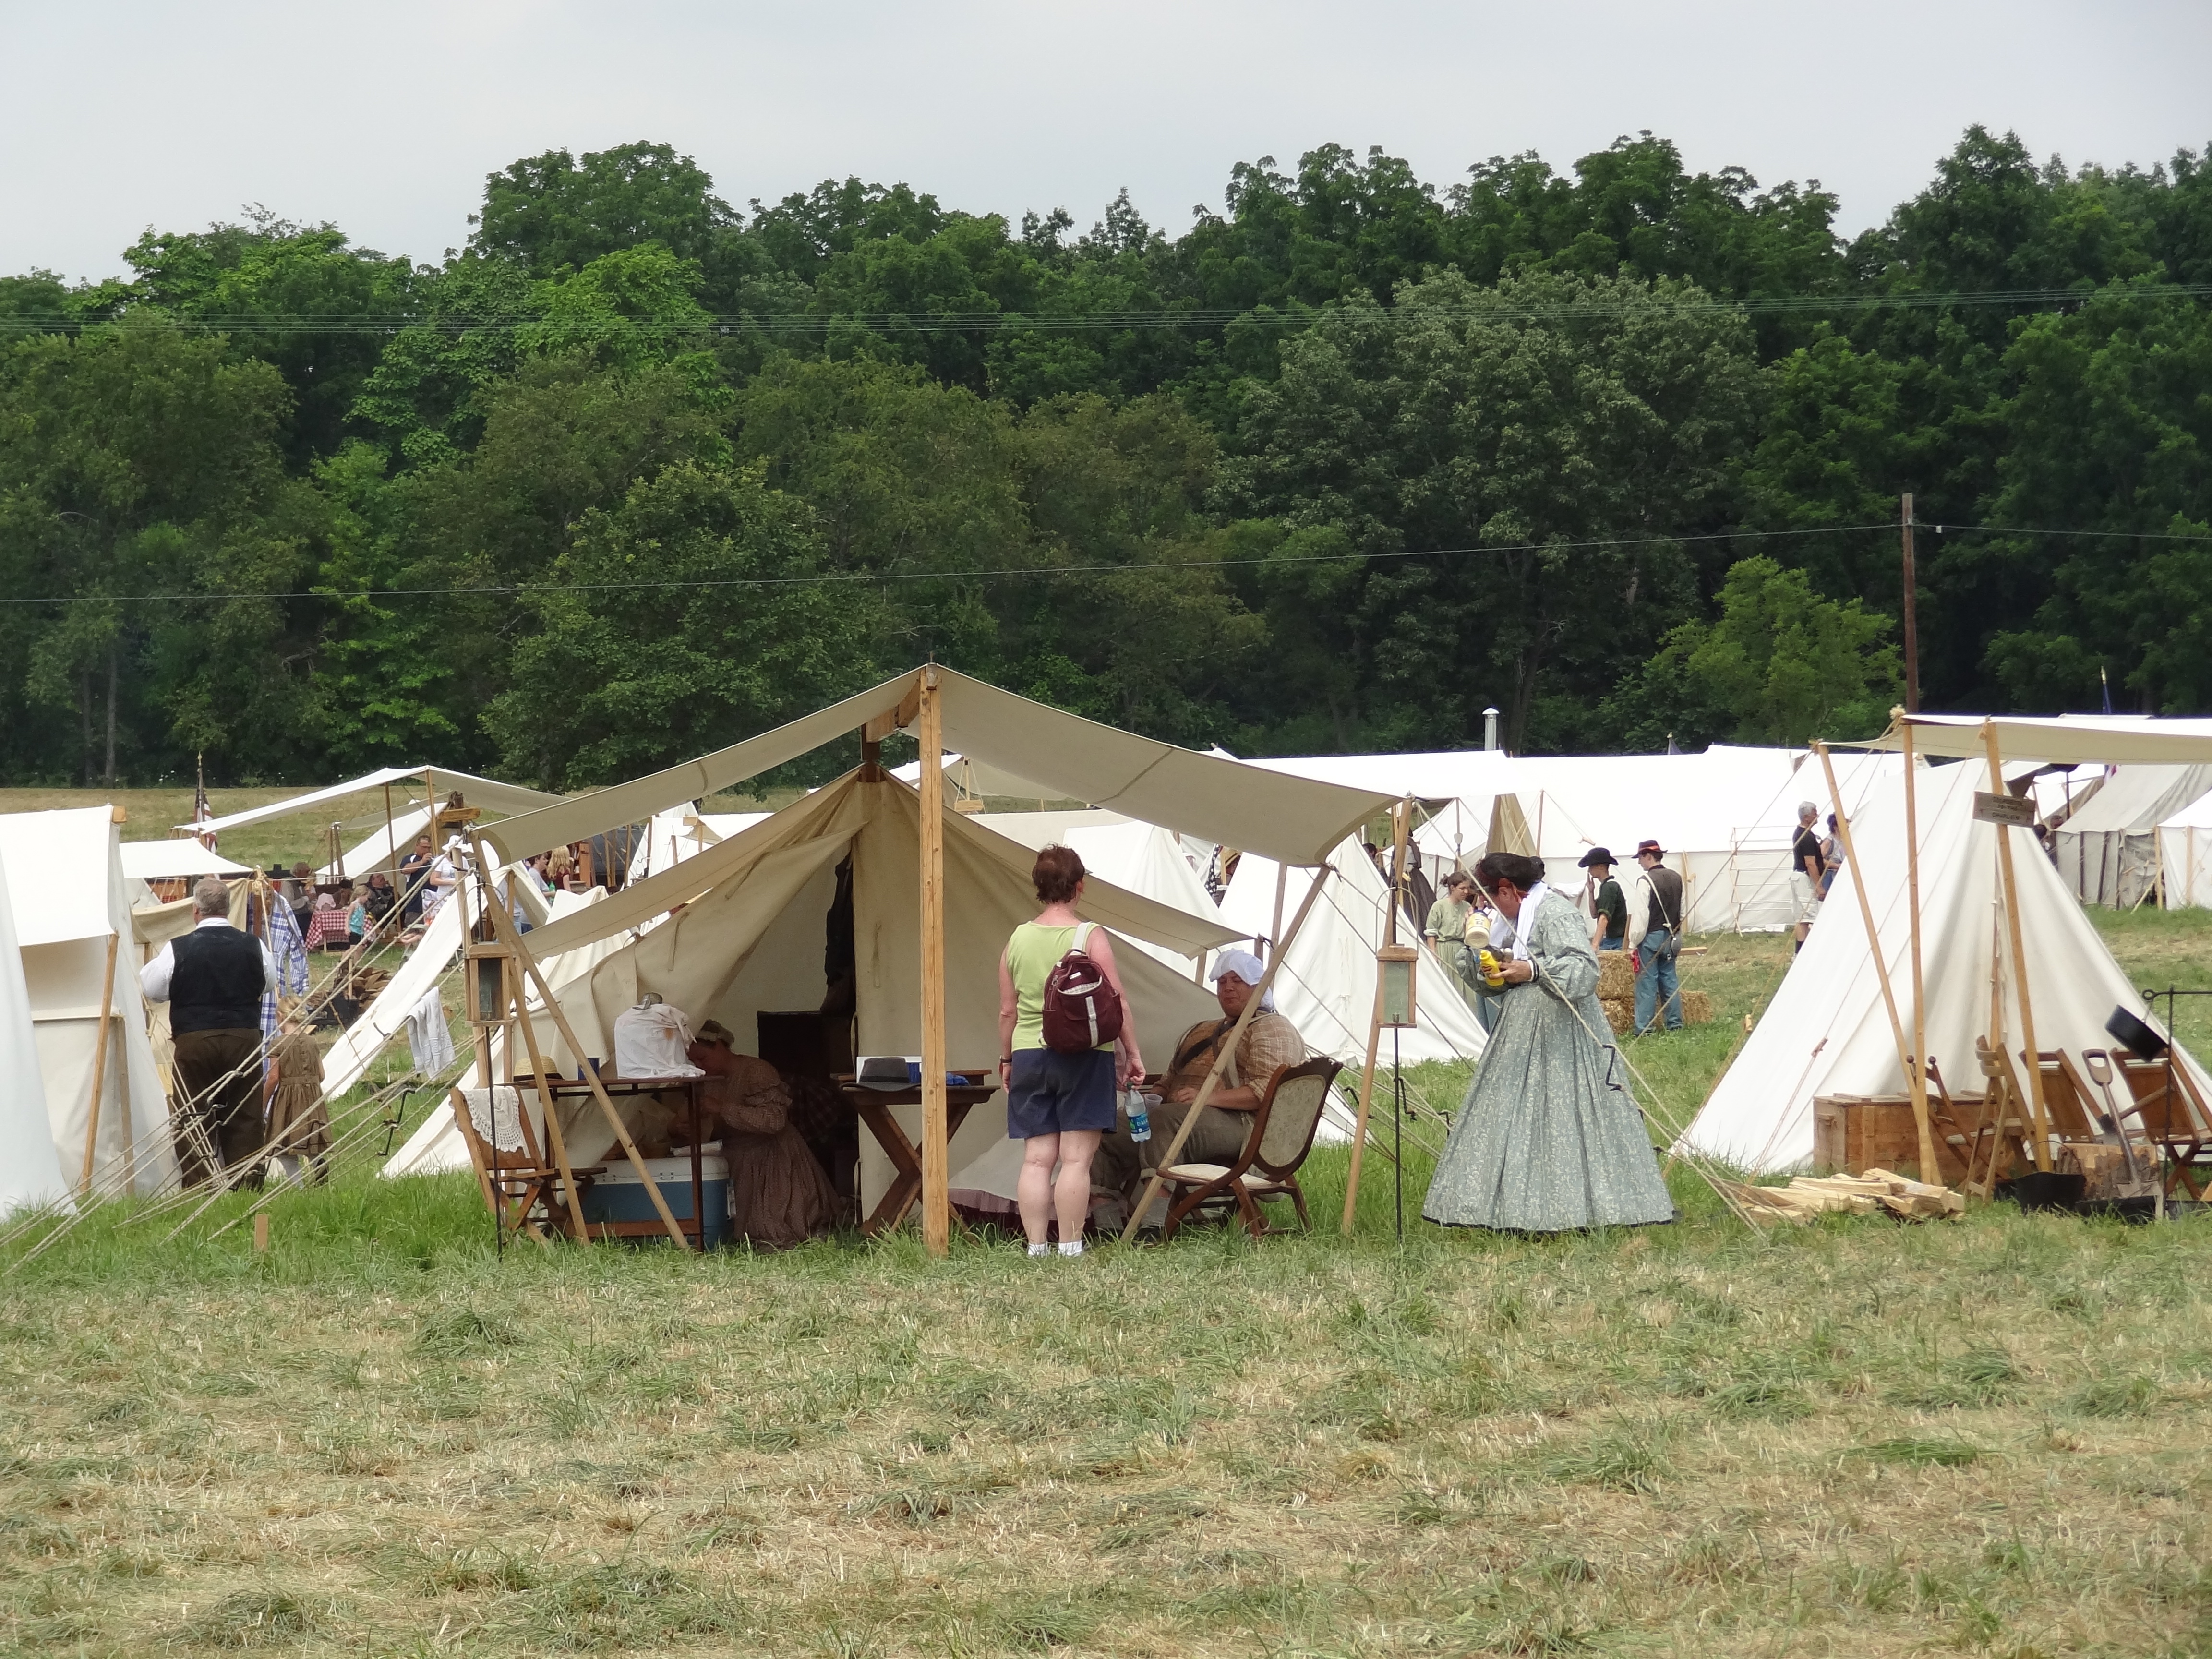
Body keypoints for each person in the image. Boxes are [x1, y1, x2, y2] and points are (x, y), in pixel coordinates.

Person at [1422, 852, 1673, 1233]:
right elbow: (1495, 984)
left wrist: (1534, 970)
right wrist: (1483, 963)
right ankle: (1505, 1204)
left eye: (1489, 898)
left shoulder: (1554, 913)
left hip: (1564, 1031)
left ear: (1508, 889)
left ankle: (1575, 1206)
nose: (1484, 907)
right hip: (1520, 1030)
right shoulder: (1506, 920)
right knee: (1512, 1111)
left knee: (1564, 1113)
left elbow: (1584, 970)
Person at [997, 845, 1145, 1258]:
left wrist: (1008, 1059)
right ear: (1080, 886)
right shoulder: (1089, 936)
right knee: (1076, 1160)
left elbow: (1008, 1010)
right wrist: (1132, 1053)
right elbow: (1117, 1001)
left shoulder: (1017, 939)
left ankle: (1036, 1248)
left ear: (1038, 887)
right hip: (1085, 1055)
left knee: (1036, 1160)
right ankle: (1070, 1247)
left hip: (1030, 1055)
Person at [1094, 948, 1308, 1213]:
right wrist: (1153, 1095)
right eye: (1222, 981)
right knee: (1105, 1129)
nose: (1228, 988)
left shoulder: (1274, 1028)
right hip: (1182, 1115)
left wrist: (1206, 1098)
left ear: (1258, 987)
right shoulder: (1202, 1030)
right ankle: (1106, 1222)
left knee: (1165, 1120)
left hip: (1245, 1127)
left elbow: (1269, 1091)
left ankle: (1152, 1222)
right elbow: (1171, 1078)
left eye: (1237, 981)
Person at [141, 877, 278, 1188]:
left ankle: (199, 1187)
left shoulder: (179, 948)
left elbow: (152, 988)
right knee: (244, 1113)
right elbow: (268, 982)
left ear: (195, 911)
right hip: (243, 1039)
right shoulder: (253, 945)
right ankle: (247, 1186)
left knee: (194, 1114)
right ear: (227, 909)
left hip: (195, 1040)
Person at [685, 1021, 835, 1246]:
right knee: (730, 1231)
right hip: (735, 1160)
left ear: (720, 1046)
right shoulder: (707, 1080)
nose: (700, 1065)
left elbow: (774, 1121)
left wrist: (723, 1108)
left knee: (774, 1227)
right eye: (694, 1061)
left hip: (772, 1160)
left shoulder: (757, 1072)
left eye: (703, 1058)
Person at [264, 1002, 331, 1184]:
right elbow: (321, 1075)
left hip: (288, 1099)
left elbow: (274, 1078)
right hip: (313, 1098)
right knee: (311, 1142)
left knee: (284, 1148)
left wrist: (264, 1102)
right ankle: (319, 1169)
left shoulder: (278, 1044)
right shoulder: (311, 1042)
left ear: (280, 1016)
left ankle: (298, 1187)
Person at [1623, 840, 1684, 1034]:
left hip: (1651, 937)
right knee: (1670, 980)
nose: (1639, 862)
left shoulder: (1646, 881)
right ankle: (1675, 1024)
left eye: (1640, 858)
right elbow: (1682, 912)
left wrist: (1633, 943)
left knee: (1647, 984)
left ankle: (1645, 1028)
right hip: (1672, 936)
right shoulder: (1677, 877)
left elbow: (1641, 916)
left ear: (1648, 856)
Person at [1423, 872, 1479, 999]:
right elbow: (1431, 933)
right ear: (1452, 888)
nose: (1466, 892)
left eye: (1467, 888)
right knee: (1446, 986)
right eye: (1462, 888)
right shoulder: (1439, 906)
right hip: (1443, 950)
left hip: (1461, 950)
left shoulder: (1467, 907)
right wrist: (1434, 955)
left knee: (1466, 990)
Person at [1790, 801, 1824, 952]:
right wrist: (1819, 886)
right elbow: (1810, 863)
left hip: (1798, 877)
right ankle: (1812, 950)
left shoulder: (1802, 833)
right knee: (1811, 916)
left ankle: (1800, 952)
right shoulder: (1806, 837)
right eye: (1815, 813)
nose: (1818, 816)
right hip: (1804, 879)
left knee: (1802, 919)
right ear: (1806, 817)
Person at [1581, 848, 1627, 952]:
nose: (1589, 871)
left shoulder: (1609, 887)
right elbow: (1594, 914)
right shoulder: (1606, 887)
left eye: (1591, 867)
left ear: (1601, 867)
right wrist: (1591, 891)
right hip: (1611, 941)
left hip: (1614, 942)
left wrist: (1594, 945)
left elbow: (1604, 918)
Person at [397, 836, 434, 925]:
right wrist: (422, 862)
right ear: (417, 846)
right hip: (415, 907)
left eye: (429, 848)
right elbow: (404, 870)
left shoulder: (433, 861)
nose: (427, 850)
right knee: (415, 931)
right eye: (424, 847)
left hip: (431, 906)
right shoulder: (410, 858)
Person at [1819, 813, 1843, 900]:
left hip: (1839, 875)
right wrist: (1836, 866)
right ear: (1836, 827)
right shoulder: (1829, 841)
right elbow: (1820, 859)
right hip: (1830, 876)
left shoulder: (1843, 840)